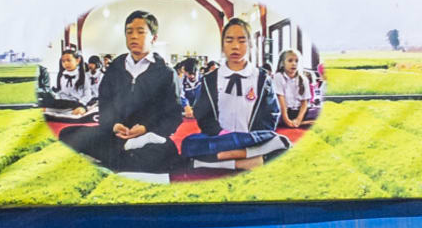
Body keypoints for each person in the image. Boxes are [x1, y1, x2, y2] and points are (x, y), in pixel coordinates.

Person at [60, 10, 186, 174]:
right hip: (115, 136)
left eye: (141, 32)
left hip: (147, 138)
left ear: (153, 38)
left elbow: (173, 116)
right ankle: (122, 161)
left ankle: (112, 161)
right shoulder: (115, 67)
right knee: (67, 133)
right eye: (129, 32)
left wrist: (145, 128)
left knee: (164, 154)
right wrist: (113, 126)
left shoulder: (166, 73)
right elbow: (104, 104)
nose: (133, 36)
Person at [189, 16, 288, 163]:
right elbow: (203, 114)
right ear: (222, 45)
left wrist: (250, 138)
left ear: (251, 44)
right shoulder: (209, 80)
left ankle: (229, 160)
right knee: (189, 145)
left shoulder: (262, 79)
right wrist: (221, 134)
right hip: (219, 140)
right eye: (229, 40)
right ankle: (246, 161)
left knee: (283, 143)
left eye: (242, 41)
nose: (235, 46)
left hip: (251, 141)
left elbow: (271, 114)